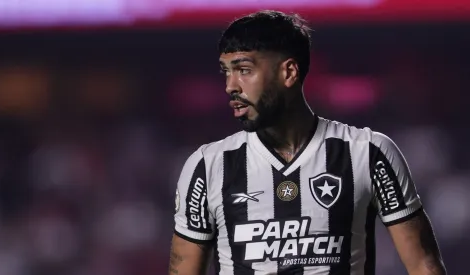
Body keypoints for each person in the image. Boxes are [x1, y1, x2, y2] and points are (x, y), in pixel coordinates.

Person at [169, 10, 446, 275]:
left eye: (244, 69)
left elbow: (424, 266)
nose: (231, 85)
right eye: (226, 72)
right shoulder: (207, 166)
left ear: (289, 73)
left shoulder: (368, 152)